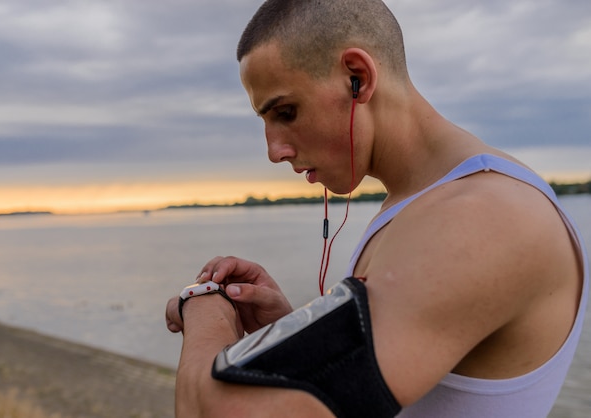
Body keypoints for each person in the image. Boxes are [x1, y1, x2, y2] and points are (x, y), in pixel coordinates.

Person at [165, 0, 589, 416]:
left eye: (286, 112)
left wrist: (205, 305)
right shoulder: (424, 202)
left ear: (358, 77)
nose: (274, 151)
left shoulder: (483, 217)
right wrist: (291, 332)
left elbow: (222, 410)